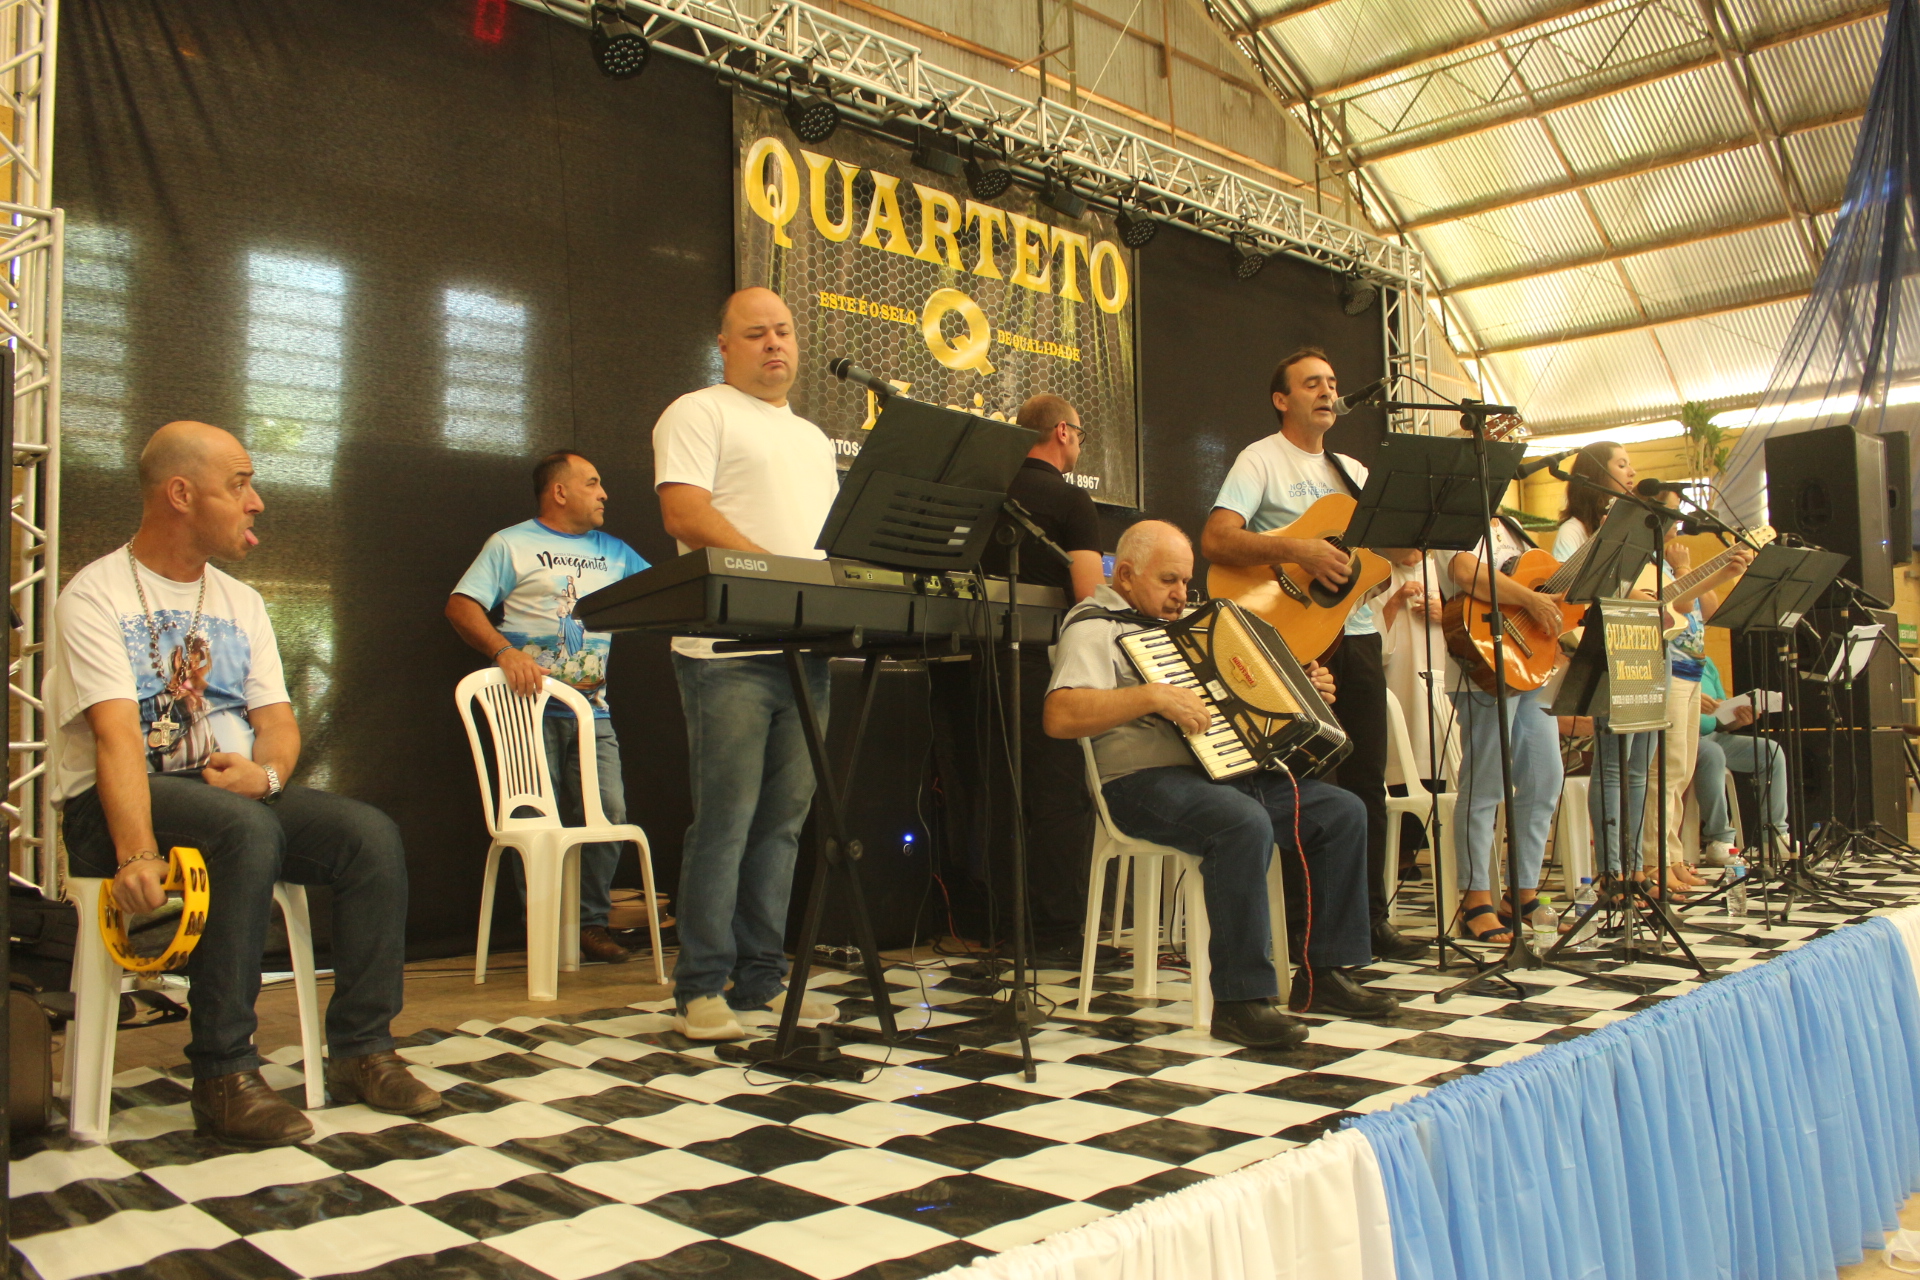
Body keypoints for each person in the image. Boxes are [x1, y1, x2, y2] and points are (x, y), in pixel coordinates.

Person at [51, 421, 437, 1147]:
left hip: (229, 796)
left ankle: (363, 1051)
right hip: (115, 804)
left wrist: (268, 774)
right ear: (180, 494)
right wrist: (137, 852)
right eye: (239, 485)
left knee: (368, 836)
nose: (256, 501)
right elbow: (116, 737)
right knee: (246, 830)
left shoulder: (241, 602)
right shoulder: (94, 596)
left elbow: (277, 722)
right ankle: (223, 1075)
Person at [1045, 519, 1396, 1047]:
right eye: (1168, 580)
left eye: (1186, 582)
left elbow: (1252, 700)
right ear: (1127, 575)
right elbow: (1059, 715)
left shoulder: (1201, 625)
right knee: (1242, 823)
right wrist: (1151, 696)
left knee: (1340, 812)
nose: (1179, 594)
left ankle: (1323, 975)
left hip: (1225, 775)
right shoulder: (1094, 626)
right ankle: (1240, 1001)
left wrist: (1305, 690)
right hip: (1139, 785)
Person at [653, 287, 842, 1041]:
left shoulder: (814, 438)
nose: (774, 344)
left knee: (783, 827)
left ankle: (763, 981)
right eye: (756, 333)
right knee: (726, 823)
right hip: (727, 654)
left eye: (784, 331)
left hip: (806, 652)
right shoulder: (698, 412)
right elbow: (683, 512)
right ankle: (701, 987)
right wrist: (776, 578)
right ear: (724, 346)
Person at [1202, 347, 1426, 962]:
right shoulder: (1260, 458)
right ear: (1282, 399)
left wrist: (1404, 531)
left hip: (1357, 634)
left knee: (1367, 784)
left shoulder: (1352, 470)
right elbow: (1217, 539)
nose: (1327, 391)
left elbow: (1397, 558)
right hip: (1292, 642)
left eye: (1331, 382)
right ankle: (1308, 936)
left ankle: (1369, 921)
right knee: (1309, 788)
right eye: (1311, 384)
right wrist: (1300, 549)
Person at [446, 450, 651, 964]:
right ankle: (543, 930)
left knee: (609, 812)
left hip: (593, 713)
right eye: (593, 482)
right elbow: (461, 605)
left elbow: (664, 595)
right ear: (560, 491)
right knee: (535, 820)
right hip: (527, 714)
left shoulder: (616, 552)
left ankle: (588, 924)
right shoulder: (510, 544)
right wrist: (504, 651)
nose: (604, 494)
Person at [948, 393, 1107, 968]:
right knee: (1058, 797)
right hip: (1043, 662)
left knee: (998, 791)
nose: (1078, 443)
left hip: (977, 660)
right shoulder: (1070, 499)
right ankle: (1057, 930)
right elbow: (1087, 594)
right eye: (1080, 434)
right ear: (1062, 432)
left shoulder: (987, 495)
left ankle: (1002, 926)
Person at [1443, 515, 1567, 941]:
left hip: (1529, 658)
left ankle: (1522, 894)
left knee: (1545, 777)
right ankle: (1475, 899)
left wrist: (1544, 605)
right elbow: (1465, 572)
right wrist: (1531, 601)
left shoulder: (1512, 526)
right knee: (1486, 784)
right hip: (1482, 658)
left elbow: (1538, 581)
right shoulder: (1456, 516)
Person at [1692, 655, 1790, 862]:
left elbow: (1721, 721)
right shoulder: (1667, 658)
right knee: (1712, 752)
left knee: (1769, 751)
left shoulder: (1707, 663)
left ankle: (1774, 836)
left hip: (1712, 736)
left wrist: (1738, 719)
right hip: (1681, 737)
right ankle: (1719, 839)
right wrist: (1690, 702)